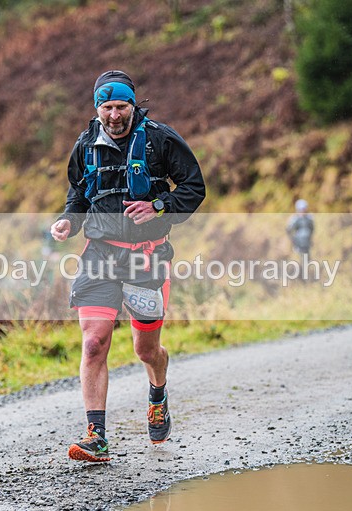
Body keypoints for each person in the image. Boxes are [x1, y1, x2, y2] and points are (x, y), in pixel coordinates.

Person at [50, 70, 206, 462]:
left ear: (133, 105)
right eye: (107, 107)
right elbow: (79, 191)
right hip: (100, 255)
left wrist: (158, 206)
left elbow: (194, 188)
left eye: (121, 106)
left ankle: (158, 392)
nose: (114, 115)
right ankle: (96, 436)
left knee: (146, 350)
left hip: (146, 256)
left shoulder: (160, 139)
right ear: (96, 108)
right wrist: (69, 221)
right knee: (93, 342)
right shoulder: (86, 144)